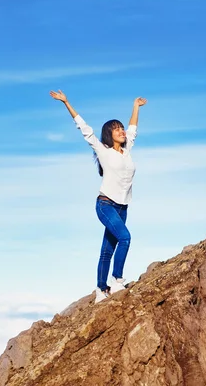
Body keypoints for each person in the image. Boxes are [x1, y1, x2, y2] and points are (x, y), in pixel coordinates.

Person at [50, 89, 147, 303]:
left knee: (107, 249)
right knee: (125, 237)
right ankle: (117, 281)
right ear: (108, 134)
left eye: (121, 128)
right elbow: (84, 129)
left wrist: (135, 106)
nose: (121, 131)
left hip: (123, 207)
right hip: (105, 205)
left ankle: (100, 290)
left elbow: (133, 128)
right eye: (116, 129)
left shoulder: (127, 149)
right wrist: (66, 102)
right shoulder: (103, 150)